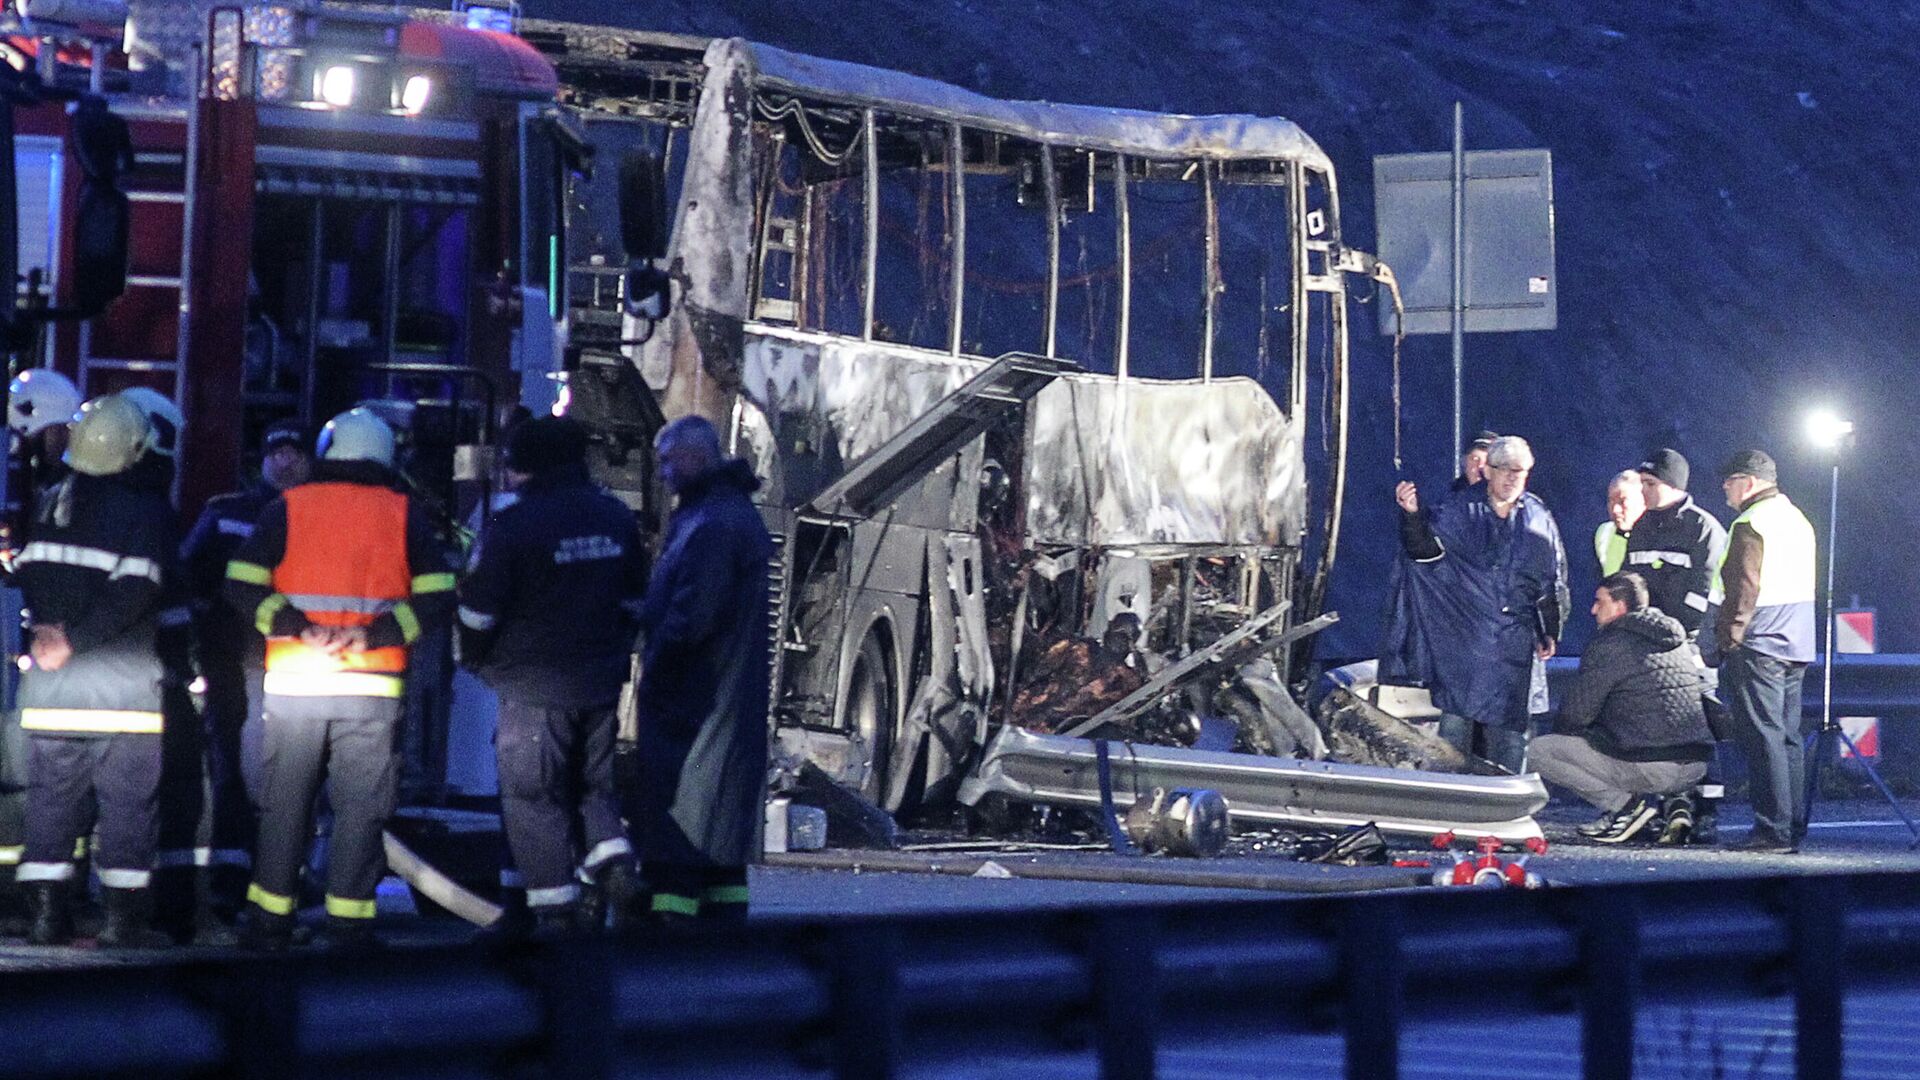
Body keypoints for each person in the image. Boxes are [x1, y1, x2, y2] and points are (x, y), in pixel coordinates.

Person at [225, 408, 455, 950]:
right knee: (360, 808)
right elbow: (439, 594)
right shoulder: (404, 514)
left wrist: (297, 628)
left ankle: (269, 920)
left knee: (285, 805)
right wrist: (373, 637)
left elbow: (239, 584)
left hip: (295, 684)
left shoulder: (288, 507)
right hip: (370, 690)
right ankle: (349, 924)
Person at [457, 417, 645, 937]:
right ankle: (615, 866)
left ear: (525, 467)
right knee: (592, 790)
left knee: (532, 797)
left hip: (532, 687)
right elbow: (635, 600)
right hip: (600, 685)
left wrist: (474, 660)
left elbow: (476, 614)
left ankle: (553, 914)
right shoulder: (614, 517)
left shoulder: (515, 526)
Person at [13, 393, 176, 947]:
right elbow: (137, 592)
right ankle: (122, 923)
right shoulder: (145, 511)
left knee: (51, 805)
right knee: (128, 808)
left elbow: (29, 579)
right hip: (121, 692)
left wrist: (49, 639)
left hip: (51, 688)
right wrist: (76, 640)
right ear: (132, 450)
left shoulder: (46, 502)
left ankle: (45, 918)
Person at [632, 415, 772, 922]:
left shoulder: (710, 525)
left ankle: (670, 950)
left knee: (680, 846)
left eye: (669, 459)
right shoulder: (726, 514)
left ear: (697, 455)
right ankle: (722, 950)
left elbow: (693, 618)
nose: (664, 471)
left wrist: (656, 661)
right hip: (721, 711)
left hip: (693, 714)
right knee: (721, 860)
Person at [179, 420, 311, 917]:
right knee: (231, 766)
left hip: (295, 660)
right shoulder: (225, 511)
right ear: (262, 458)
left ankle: (280, 877)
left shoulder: (315, 515)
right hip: (232, 658)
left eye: (293, 451)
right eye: (276, 451)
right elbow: (190, 574)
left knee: (288, 774)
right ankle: (232, 879)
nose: (284, 460)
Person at [1382, 435, 1569, 774]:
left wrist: (1549, 629)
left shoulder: (1538, 518)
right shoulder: (1460, 510)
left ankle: (1505, 805)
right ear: (1490, 471)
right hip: (1466, 647)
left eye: (1521, 471)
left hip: (1514, 649)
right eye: (1507, 470)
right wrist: (1411, 516)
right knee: (1455, 731)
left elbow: (1549, 580)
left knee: (1512, 739)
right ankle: (1450, 804)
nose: (1513, 478)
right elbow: (1425, 554)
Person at [1531, 572, 1714, 844]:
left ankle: (1628, 808)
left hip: (1653, 768)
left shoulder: (1610, 644)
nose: (1593, 609)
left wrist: (1579, 735)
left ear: (1619, 606)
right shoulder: (1678, 639)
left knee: (1539, 751)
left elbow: (1576, 714)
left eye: (1599, 601)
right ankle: (1674, 802)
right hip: (1696, 766)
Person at [1709, 450, 1816, 854]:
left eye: (1730, 480)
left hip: (1761, 640)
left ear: (1749, 482)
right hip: (1797, 639)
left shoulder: (1751, 522)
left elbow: (1743, 588)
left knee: (1762, 736)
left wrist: (1727, 640)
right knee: (1787, 736)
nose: (1724, 488)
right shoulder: (1797, 518)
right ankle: (1791, 825)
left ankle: (1771, 829)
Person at [1629, 448, 1728, 641]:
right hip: (1645, 636)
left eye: (1650, 483)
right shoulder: (1640, 527)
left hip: (1689, 639)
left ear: (1674, 486)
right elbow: (1630, 580)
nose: (1643, 490)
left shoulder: (1703, 529)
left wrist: (1678, 628)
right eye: (1641, 483)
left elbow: (1707, 589)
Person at [1594, 470, 1644, 575]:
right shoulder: (1604, 533)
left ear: (1643, 501)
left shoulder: (1661, 537)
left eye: (1622, 501)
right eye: (1611, 501)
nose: (1615, 509)